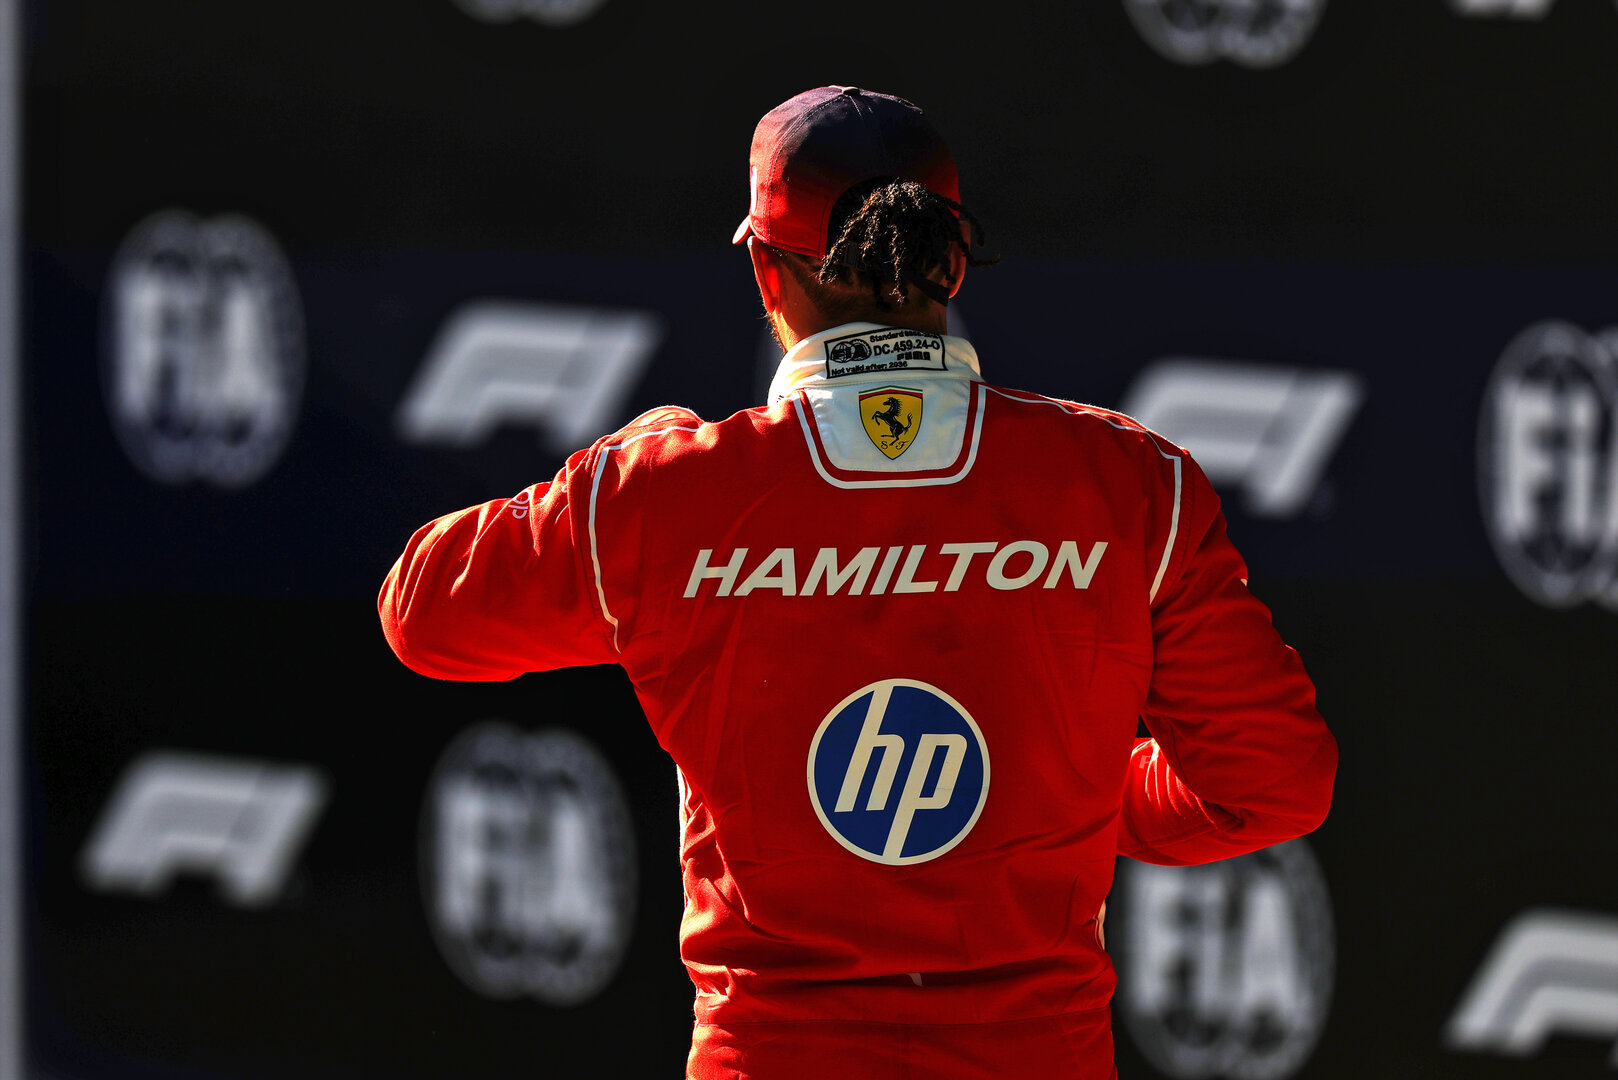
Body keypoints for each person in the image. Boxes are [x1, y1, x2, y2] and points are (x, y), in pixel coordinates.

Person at [379, 85, 1337, 1080]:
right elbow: (1269, 782)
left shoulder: (663, 494)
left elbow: (422, 615)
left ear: (762, 270)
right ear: (952, 259)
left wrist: (636, 448)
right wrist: (1075, 796)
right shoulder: (1130, 482)